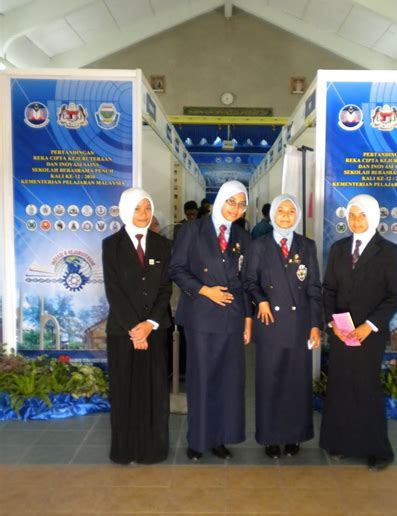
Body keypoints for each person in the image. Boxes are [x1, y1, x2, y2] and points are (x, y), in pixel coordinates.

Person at [319, 194, 397, 471]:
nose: (355, 221)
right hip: (342, 332)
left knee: (366, 387)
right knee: (341, 386)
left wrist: (369, 325)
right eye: (352, 216)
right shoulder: (339, 248)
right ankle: (341, 443)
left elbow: (394, 295)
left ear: (373, 217)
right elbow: (329, 289)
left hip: (370, 334)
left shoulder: (389, 251)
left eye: (361, 216)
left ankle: (376, 450)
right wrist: (333, 323)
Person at [169, 180, 252, 460]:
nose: (235, 208)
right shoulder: (192, 230)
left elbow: (246, 281)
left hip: (232, 316)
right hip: (201, 317)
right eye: (231, 201)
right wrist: (205, 290)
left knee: (228, 381)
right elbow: (176, 269)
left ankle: (220, 438)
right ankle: (198, 439)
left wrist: (247, 319)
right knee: (202, 379)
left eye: (241, 204)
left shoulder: (242, 236)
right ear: (220, 200)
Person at [244, 194, 323, 458]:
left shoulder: (307, 245)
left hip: (300, 324)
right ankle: (270, 437)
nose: (286, 216)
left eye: (291, 211)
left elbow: (314, 288)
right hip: (270, 324)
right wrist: (261, 300)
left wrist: (315, 325)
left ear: (297, 215)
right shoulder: (259, 245)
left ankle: (294, 436)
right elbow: (249, 281)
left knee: (297, 383)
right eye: (281, 211)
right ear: (273, 215)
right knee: (270, 382)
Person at [102, 188, 172, 464]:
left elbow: (166, 289)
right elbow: (114, 291)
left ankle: (152, 450)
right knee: (124, 390)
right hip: (123, 332)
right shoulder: (111, 245)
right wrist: (135, 327)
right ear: (125, 211)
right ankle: (124, 450)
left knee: (153, 392)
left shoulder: (163, 245)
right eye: (137, 208)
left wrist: (149, 324)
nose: (143, 214)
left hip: (155, 330)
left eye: (147, 208)